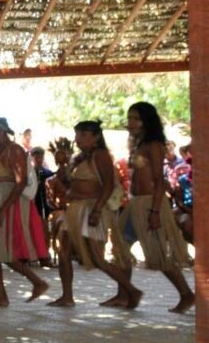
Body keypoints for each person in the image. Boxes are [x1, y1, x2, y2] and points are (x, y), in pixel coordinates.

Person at [47, 121, 139, 309]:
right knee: (63, 249)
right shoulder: (80, 157)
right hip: (74, 209)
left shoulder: (101, 155)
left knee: (97, 258)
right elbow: (66, 182)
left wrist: (97, 210)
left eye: (83, 135)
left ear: (96, 137)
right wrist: (64, 162)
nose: (78, 139)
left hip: (92, 209)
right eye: (77, 135)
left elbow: (107, 185)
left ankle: (131, 290)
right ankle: (66, 295)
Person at [123, 102, 194, 313]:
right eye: (129, 118)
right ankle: (126, 293)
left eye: (135, 118)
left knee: (158, 255)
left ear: (146, 121)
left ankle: (186, 294)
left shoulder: (153, 145)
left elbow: (158, 180)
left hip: (149, 204)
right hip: (135, 203)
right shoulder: (138, 144)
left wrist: (154, 211)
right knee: (120, 245)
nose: (131, 123)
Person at [0, 117, 49, 307]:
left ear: (0, 131)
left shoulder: (14, 150)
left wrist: (2, 210)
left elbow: (21, 182)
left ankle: (37, 282)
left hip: (4, 203)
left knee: (3, 251)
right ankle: (0, 294)